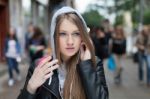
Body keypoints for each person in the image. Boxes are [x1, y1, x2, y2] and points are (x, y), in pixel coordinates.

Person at [17, 6, 109, 99]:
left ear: (82, 37)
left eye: (76, 34)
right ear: (54, 37)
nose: (70, 42)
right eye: (63, 34)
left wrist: (86, 66)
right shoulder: (40, 67)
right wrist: (30, 88)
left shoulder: (94, 64)